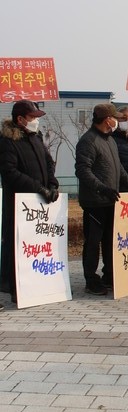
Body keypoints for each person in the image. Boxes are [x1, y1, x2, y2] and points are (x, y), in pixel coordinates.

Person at [75, 102, 128, 296]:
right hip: (95, 202)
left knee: (109, 241)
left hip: (111, 200)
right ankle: (91, 279)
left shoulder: (109, 140)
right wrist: (102, 188)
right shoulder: (88, 141)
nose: (118, 120)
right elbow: (82, 170)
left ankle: (109, 275)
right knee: (93, 242)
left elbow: (119, 170)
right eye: (116, 117)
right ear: (108, 120)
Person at [0, 100, 60, 305]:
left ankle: (39, 286)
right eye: (33, 117)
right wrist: (38, 188)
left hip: (41, 203)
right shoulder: (7, 141)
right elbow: (9, 172)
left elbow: (48, 162)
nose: (36, 121)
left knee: (37, 245)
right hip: (20, 203)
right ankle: (17, 289)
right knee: (18, 247)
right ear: (20, 119)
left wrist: (52, 184)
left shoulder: (36, 138)